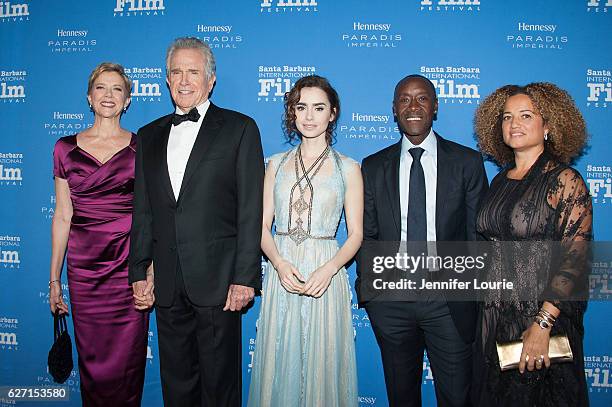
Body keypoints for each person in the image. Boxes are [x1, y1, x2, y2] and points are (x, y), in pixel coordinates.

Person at [128, 37, 264, 406]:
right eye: (176, 72)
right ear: (166, 79)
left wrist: (244, 277)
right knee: (177, 384)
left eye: (193, 72)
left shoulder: (240, 129)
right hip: (168, 283)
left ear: (210, 80)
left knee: (220, 387)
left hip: (219, 282)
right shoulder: (148, 135)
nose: (184, 80)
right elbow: (143, 210)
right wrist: (139, 269)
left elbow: (251, 210)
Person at [358, 74, 488, 407]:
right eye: (404, 99)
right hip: (392, 303)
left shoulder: (467, 163)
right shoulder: (373, 166)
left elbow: (478, 236)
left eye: (422, 98)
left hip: (449, 303)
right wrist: (372, 294)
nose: (413, 106)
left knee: (458, 398)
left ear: (435, 107)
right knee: (401, 398)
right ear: (394, 109)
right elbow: (367, 235)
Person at [472, 82, 592, 406]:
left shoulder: (565, 181)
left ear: (549, 125)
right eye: (507, 117)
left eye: (526, 115)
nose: (514, 124)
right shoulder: (500, 179)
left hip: (538, 317)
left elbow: (575, 258)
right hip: (493, 316)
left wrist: (542, 325)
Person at [248, 75, 362, 406]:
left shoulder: (348, 168)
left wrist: (329, 270)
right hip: (282, 269)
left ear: (333, 113)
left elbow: (356, 233)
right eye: (302, 107)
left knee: (323, 365)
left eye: (318, 107)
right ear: (292, 113)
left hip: (325, 273)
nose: (309, 116)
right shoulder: (275, 164)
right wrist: (279, 264)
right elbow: (261, 225)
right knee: (278, 360)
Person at [49, 62, 151, 406]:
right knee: (92, 364)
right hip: (85, 272)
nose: (108, 95)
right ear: (89, 97)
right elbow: (63, 215)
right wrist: (54, 281)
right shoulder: (64, 148)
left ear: (127, 101)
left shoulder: (142, 148)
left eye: (117, 89)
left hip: (128, 269)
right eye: (101, 88)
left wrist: (149, 272)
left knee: (129, 364)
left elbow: (150, 218)